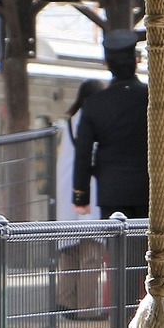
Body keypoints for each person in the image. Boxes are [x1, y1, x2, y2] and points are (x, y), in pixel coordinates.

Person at [72, 30, 149, 218]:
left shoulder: (94, 104)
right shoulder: (153, 99)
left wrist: (81, 196)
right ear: (136, 61)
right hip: (151, 189)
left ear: (107, 65)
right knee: (152, 245)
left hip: (111, 192)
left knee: (118, 246)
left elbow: (83, 153)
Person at [56, 79, 107, 222]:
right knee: (95, 226)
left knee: (73, 225)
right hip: (94, 180)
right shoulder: (97, 118)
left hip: (70, 179)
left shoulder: (71, 121)